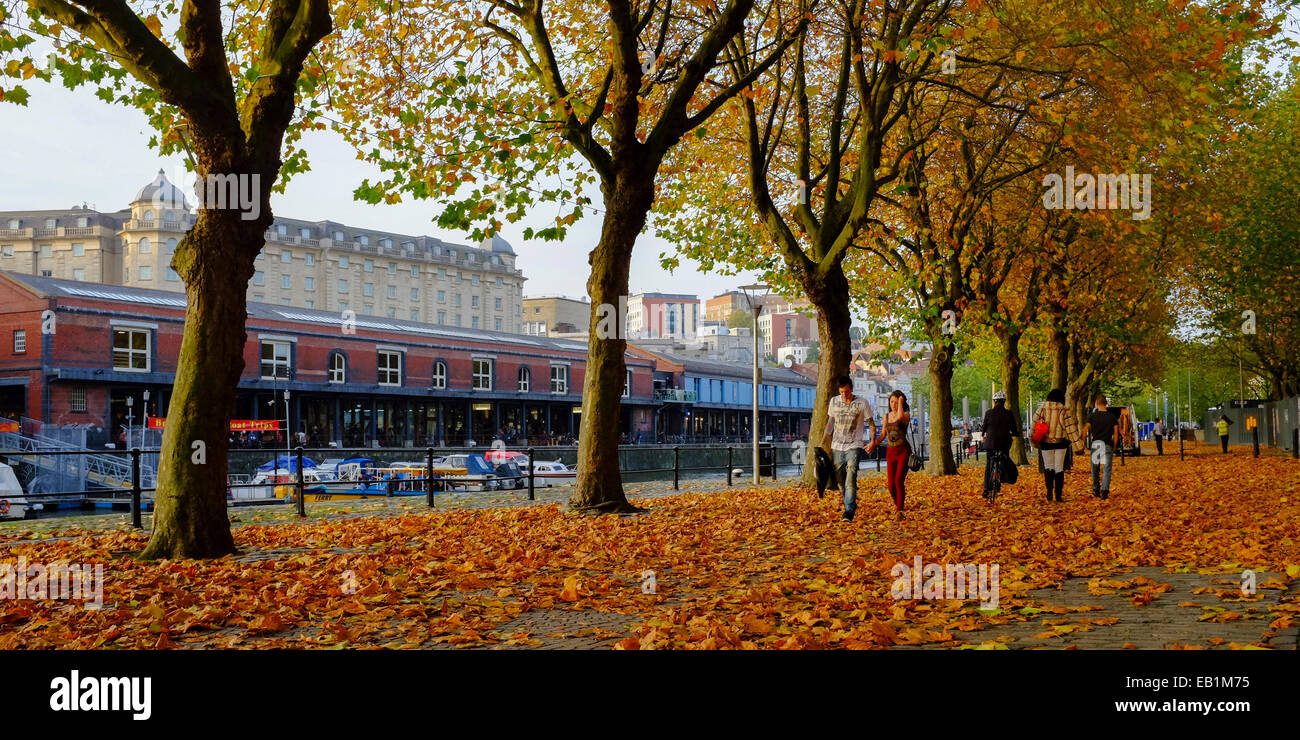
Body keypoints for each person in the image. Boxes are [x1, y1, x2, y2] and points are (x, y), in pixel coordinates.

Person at [821, 375, 876, 522]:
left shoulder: (862, 403)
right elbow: (830, 423)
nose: (844, 395)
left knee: (851, 477)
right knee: (840, 481)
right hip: (837, 446)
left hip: (854, 444)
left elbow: (871, 423)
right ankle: (850, 503)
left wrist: (873, 441)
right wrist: (823, 443)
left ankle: (849, 511)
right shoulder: (834, 402)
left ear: (851, 389)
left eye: (846, 391)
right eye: (841, 392)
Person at [867, 390, 911, 520]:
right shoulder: (886, 416)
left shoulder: (905, 414)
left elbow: (899, 418)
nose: (894, 404)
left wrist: (901, 404)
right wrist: (873, 444)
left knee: (898, 480)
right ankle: (899, 504)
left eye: (897, 402)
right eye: (892, 402)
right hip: (891, 452)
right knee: (890, 485)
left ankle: (899, 511)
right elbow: (883, 435)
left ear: (901, 403)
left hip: (903, 451)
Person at [1032, 389, 1082, 502]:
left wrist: (1033, 442)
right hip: (1061, 443)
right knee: (1059, 467)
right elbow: (1071, 429)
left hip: (1046, 443)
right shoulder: (1064, 410)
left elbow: (1034, 426)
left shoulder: (1041, 410)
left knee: (1048, 467)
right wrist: (1078, 446)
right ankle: (1058, 495)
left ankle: (1049, 491)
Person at [1082, 395, 1120, 499]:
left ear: (1096, 404)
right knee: (1107, 469)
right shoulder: (1112, 417)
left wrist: (1083, 443)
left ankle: (1096, 489)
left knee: (1095, 468)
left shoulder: (1092, 416)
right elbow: (1116, 434)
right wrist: (1115, 446)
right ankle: (1105, 491)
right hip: (1107, 444)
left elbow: (1085, 430)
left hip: (1096, 445)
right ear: (1106, 404)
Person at [981, 391, 1015, 501]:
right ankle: (1002, 477)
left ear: (994, 402)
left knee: (989, 464)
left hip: (990, 443)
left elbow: (984, 427)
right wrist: (1015, 433)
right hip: (1005, 443)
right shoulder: (1009, 413)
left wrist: (983, 433)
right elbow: (1014, 428)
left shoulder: (989, 413)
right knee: (1004, 459)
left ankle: (986, 489)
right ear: (1004, 402)